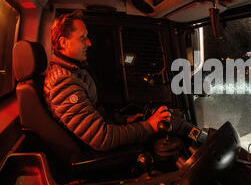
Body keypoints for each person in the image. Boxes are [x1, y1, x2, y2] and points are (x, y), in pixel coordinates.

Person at [44, 10, 170, 152]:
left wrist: (122, 120)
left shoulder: (73, 70)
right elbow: (101, 138)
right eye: (82, 37)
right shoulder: (63, 83)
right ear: (63, 42)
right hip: (95, 155)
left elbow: (93, 114)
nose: (89, 43)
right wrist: (149, 126)